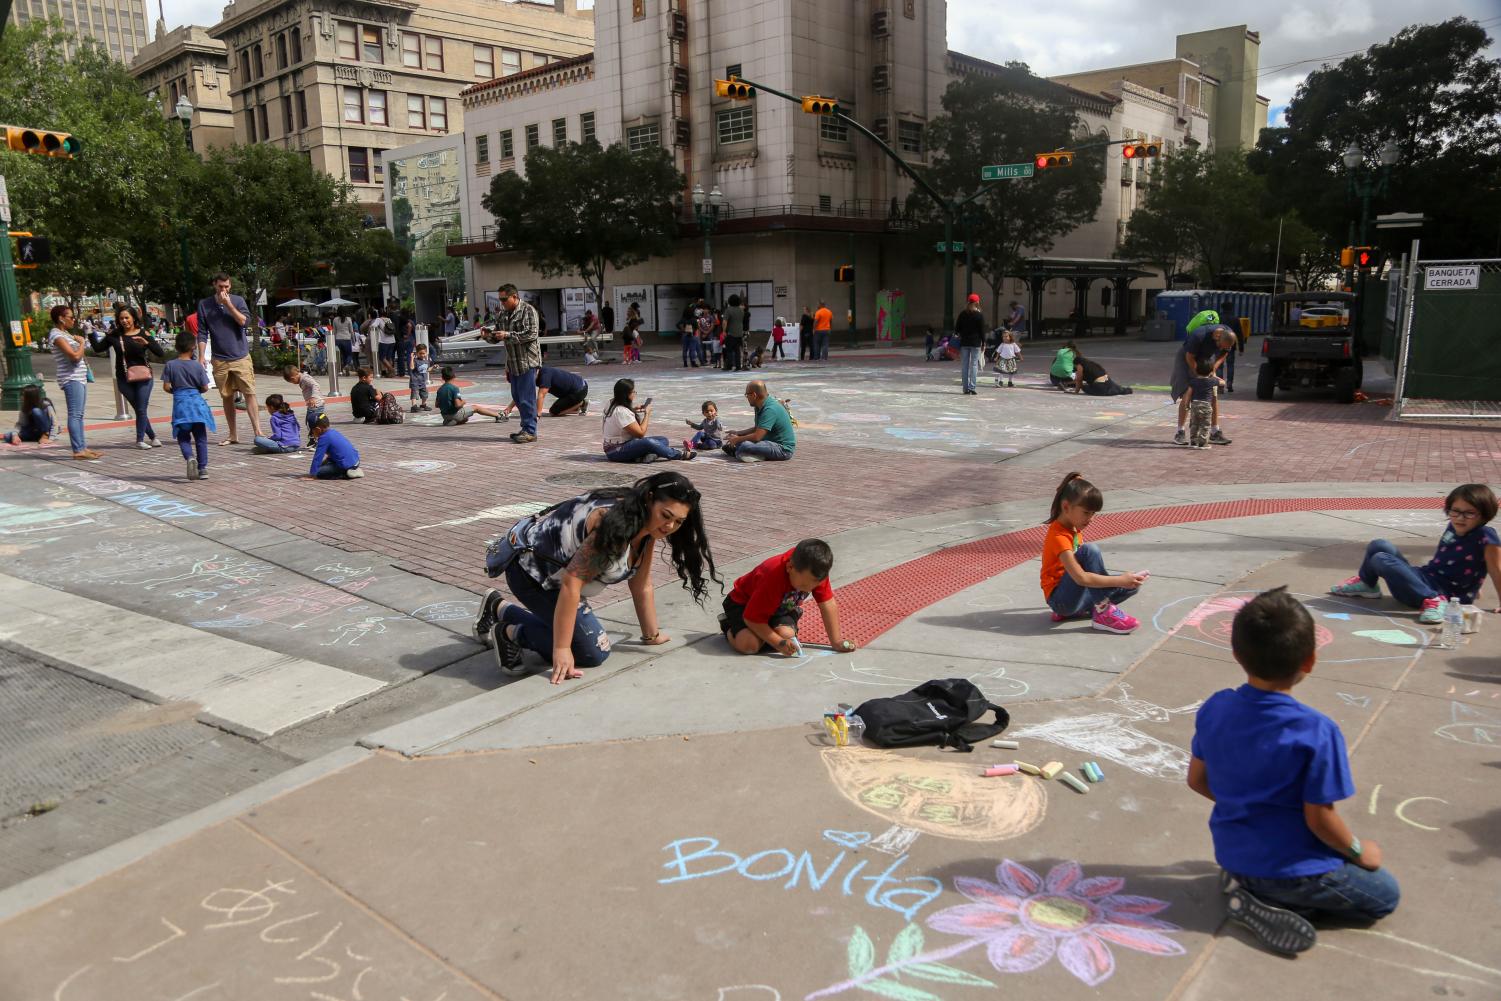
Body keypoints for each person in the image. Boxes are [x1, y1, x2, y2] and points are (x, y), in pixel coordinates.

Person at [1189, 587, 1400, 956]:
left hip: (1232, 852)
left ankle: (1249, 885)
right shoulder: (1316, 731)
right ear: (1310, 661)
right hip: (1291, 869)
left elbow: (1197, 780)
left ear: (1237, 654)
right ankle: (1273, 903)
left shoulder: (1216, 706)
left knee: (1357, 881)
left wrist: (1246, 803)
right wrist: (1357, 851)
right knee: (1384, 895)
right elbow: (1319, 819)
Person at [474, 471, 719, 681]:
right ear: (649, 498)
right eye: (666, 516)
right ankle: (508, 633)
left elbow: (641, 583)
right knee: (591, 652)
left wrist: (651, 635)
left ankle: (498, 607)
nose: (669, 527)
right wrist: (561, 649)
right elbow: (572, 584)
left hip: (560, 582)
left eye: (678, 522)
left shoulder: (647, 527)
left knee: (586, 645)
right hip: (532, 576)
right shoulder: (613, 524)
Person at [1330, 483, 1500, 621]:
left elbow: (1495, 569)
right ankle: (1368, 584)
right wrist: (1475, 585)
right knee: (1378, 545)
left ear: (1484, 515)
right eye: (1455, 511)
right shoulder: (1452, 526)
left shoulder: (1486, 537)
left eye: (1469, 513)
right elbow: (1461, 560)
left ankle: (1433, 601)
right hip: (1425, 578)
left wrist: (1474, 587)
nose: (1460, 518)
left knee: (1381, 559)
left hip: (1446, 596)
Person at [1040, 472, 1146, 634]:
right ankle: (1103, 613)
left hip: (1073, 597)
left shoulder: (1073, 527)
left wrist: (1125, 581)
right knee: (1090, 550)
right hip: (1062, 602)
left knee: (1131, 587)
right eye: (1086, 513)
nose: (1090, 519)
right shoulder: (1058, 537)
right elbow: (1080, 577)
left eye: (1093, 513)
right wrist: (1118, 579)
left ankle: (1088, 608)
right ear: (1066, 507)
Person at [721, 538, 856, 656]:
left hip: (779, 608)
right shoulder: (772, 576)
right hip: (743, 606)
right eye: (803, 585)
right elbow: (752, 619)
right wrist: (778, 643)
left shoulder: (816, 573)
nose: (808, 589)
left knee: (787, 635)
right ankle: (729, 626)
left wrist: (836, 641)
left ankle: (762, 633)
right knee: (749, 645)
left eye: (813, 586)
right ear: (790, 567)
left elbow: (827, 604)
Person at [196, 273, 263, 445]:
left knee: (249, 393)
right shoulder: (204, 305)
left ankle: (258, 431)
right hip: (220, 359)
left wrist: (228, 304)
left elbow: (244, 322)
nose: (223, 290)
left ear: (230, 286)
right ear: (214, 285)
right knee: (227, 396)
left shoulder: (238, 301)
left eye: (226, 286)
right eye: (220, 287)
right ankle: (233, 434)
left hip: (240, 356)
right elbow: (202, 332)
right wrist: (202, 356)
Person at [91, 304, 165, 449]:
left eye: (127, 318)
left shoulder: (143, 333)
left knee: (141, 409)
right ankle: (153, 437)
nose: (124, 321)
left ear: (133, 318)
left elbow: (160, 353)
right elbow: (98, 349)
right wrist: (89, 334)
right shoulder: (114, 335)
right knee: (139, 409)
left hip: (144, 377)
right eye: (121, 318)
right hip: (123, 378)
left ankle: (139, 440)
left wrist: (147, 343)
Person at [480, 283, 543, 444]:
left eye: (504, 299)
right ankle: (525, 428)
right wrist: (488, 335)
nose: (502, 302)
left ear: (514, 296)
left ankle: (530, 430)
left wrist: (507, 335)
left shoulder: (528, 310)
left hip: (527, 362)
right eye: (500, 299)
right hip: (513, 363)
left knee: (526, 398)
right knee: (517, 396)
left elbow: (532, 334)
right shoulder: (503, 314)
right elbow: (497, 336)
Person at [1172, 311, 1236, 446]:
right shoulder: (1199, 335)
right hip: (1187, 358)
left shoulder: (1228, 335)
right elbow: (1189, 356)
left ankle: (1214, 432)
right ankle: (1180, 432)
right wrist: (1198, 375)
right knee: (1186, 392)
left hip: (1206, 359)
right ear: (1217, 338)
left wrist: (1213, 370)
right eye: (1220, 346)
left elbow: (1224, 354)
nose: (1222, 349)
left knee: (1212, 393)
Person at [161, 330, 217, 480]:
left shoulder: (170, 365)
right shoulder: (197, 366)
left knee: (183, 437)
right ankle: (203, 468)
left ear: (176, 347)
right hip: (197, 406)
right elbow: (205, 387)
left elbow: (166, 387)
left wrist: (177, 391)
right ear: (193, 347)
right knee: (200, 438)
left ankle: (189, 457)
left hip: (180, 406)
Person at [47, 304, 99, 460]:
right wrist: (82, 343)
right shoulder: (57, 335)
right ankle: (78, 450)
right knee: (75, 414)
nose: (73, 320)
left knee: (79, 414)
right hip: (71, 378)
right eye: (70, 317)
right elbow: (74, 356)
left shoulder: (65, 333)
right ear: (61, 319)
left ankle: (82, 447)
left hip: (79, 377)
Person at [602, 378, 694, 463]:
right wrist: (647, 414)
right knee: (649, 442)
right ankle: (678, 454)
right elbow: (640, 434)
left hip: (617, 447)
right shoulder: (622, 411)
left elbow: (619, 417)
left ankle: (643, 456)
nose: (635, 394)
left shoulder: (611, 402)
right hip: (616, 452)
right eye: (633, 392)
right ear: (627, 394)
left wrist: (633, 409)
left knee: (663, 440)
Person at [721, 379, 795, 463]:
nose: (747, 397)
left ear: (754, 395)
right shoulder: (759, 405)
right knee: (741, 442)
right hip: (768, 442)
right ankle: (743, 453)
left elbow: (757, 437)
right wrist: (738, 433)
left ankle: (742, 453)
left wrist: (737, 439)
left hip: (782, 449)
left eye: (747, 395)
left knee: (745, 445)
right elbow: (757, 428)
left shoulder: (770, 409)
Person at [435, 366, 507, 425]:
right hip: (454, 414)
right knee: (475, 408)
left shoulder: (440, 389)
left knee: (465, 419)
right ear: (454, 376)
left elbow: (437, 405)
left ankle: (451, 421)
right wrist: (463, 402)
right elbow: (458, 405)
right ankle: (498, 415)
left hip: (445, 415)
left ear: (442, 378)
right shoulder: (454, 388)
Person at [306, 414, 364, 479]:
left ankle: (346, 474)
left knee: (319, 472)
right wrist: (322, 464)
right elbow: (333, 455)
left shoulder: (323, 438)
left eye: (312, 431)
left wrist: (312, 475)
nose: (312, 434)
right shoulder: (333, 432)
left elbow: (317, 458)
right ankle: (353, 470)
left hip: (346, 466)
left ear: (318, 429)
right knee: (323, 466)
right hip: (355, 462)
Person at [955, 292, 986, 395]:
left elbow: (957, 329)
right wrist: (984, 342)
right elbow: (982, 331)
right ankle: (972, 387)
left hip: (964, 342)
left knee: (964, 365)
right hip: (976, 342)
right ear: (977, 302)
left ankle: (965, 388)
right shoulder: (979, 315)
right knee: (974, 365)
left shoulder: (962, 314)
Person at [1187, 355, 1221, 448]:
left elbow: (1189, 394)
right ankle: (1203, 442)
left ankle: (1193, 441)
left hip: (1194, 404)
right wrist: (1214, 375)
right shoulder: (1212, 381)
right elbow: (1223, 382)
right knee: (1205, 424)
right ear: (1210, 371)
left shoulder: (1193, 381)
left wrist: (1187, 404)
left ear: (1197, 370)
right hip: (1206, 405)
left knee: (1194, 424)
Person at [1069, 349, 1134, 396]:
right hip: (1109, 383)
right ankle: (1121, 390)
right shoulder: (1092, 365)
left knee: (1084, 387)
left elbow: (1079, 380)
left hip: (1100, 387)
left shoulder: (1080, 365)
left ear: (1077, 364)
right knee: (1119, 389)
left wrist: (1076, 392)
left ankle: (1108, 392)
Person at [282, 363, 326, 430]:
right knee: (309, 422)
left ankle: (317, 436)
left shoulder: (305, 378)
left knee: (313, 423)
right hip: (312, 405)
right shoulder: (303, 378)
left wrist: (313, 397)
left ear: (293, 378)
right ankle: (314, 435)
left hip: (316, 405)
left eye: (292, 382)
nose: (294, 383)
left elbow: (316, 385)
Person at [723, 294, 746, 372]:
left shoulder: (728, 310)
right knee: (737, 350)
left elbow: (725, 321)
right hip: (739, 333)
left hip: (731, 333)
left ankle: (729, 365)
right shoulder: (741, 310)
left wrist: (723, 331)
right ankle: (738, 366)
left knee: (729, 350)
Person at [408, 342, 432, 412]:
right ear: (417, 353)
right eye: (420, 353)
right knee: (414, 393)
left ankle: (423, 404)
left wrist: (433, 367)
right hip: (415, 381)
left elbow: (427, 370)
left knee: (424, 393)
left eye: (424, 353)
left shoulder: (426, 361)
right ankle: (414, 406)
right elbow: (412, 368)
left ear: (426, 353)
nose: (422, 355)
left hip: (422, 381)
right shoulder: (415, 361)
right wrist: (412, 358)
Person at [680, 303, 703, 368]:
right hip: (692, 334)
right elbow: (697, 327)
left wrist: (683, 329)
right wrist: (694, 329)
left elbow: (678, 324)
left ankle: (685, 363)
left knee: (685, 349)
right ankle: (693, 362)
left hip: (685, 334)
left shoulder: (683, 318)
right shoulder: (693, 319)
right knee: (692, 349)